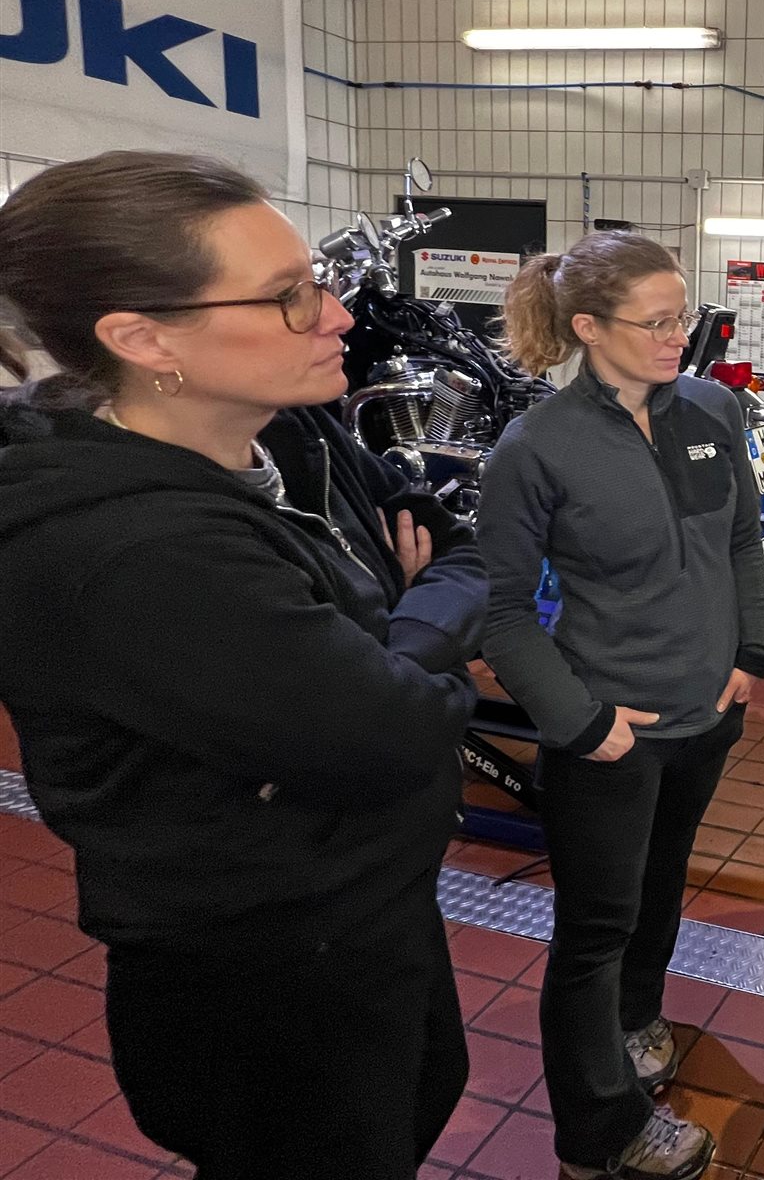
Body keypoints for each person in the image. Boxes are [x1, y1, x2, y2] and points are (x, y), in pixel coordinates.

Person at [0, 150, 485, 1180]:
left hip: (372, 914)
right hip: (264, 971)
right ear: (141, 338)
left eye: (319, 282)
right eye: (287, 297)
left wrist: (395, 639)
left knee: (419, 1103)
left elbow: (457, 548)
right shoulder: (126, 551)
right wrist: (420, 633)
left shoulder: (293, 432)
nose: (337, 316)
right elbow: (394, 731)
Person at [480, 230, 764, 1180]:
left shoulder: (711, 410)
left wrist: (752, 652)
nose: (677, 337)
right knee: (592, 934)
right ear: (587, 328)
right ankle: (597, 1136)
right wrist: (581, 722)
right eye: (656, 323)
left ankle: (639, 1019)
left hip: (706, 719)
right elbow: (501, 613)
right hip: (610, 733)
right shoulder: (536, 448)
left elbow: (742, 539)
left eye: (681, 317)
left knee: (660, 886)